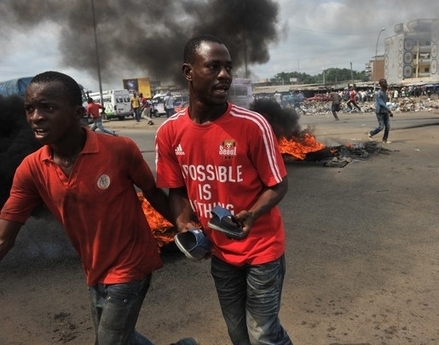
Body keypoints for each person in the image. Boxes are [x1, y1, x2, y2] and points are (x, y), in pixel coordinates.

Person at [0, 71, 197, 345]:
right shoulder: (30, 169)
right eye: (29, 109)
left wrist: (185, 227)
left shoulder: (120, 150)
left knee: (108, 342)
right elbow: (5, 235)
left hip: (132, 264)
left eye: (48, 108)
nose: (35, 117)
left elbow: (152, 192)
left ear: (78, 113)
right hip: (94, 268)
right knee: (121, 338)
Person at [155, 34, 293, 345]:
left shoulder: (252, 125)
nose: (225, 76)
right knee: (237, 333)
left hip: (261, 249)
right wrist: (182, 223)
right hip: (219, 253)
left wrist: (253, 214)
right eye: (214, 67)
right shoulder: (169, 132)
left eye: (228, 68)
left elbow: (278, 184)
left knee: (263, 334)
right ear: (188, 72)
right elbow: (176, 191)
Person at [368, 78, 393, 144]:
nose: (386, 84)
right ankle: (371, 133)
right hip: (380, 112)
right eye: (384, 83)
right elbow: (382, 103)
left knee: (387, 126)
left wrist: (388, 111)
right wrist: (389, 110)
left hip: (385, 111)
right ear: (381, 84)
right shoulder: (379, 93)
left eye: (386, 82)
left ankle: (384, 139)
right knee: (381, 126)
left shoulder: (384, 92)